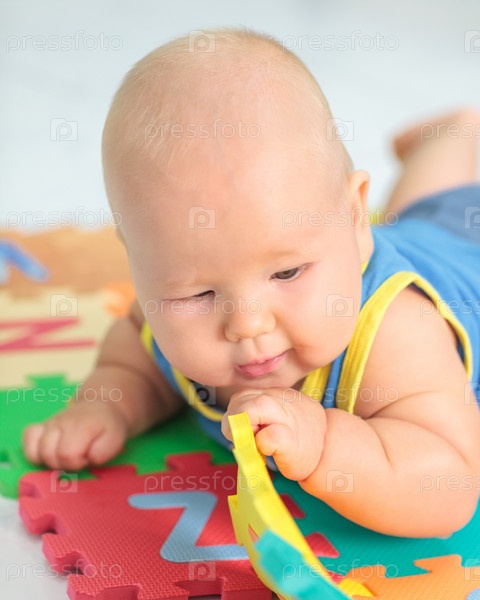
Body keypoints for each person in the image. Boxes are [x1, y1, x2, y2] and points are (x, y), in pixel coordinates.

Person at [23, 29, 480, 537]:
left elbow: (451, 487)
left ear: (355, 218)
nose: (247, 323)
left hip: (466, 253)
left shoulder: (397, 336)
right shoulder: (166, 314)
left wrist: (325, 443)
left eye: (286, 272)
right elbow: (134, 352)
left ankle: (451, 136)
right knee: (423, 212)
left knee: (446, 210)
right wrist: (105, 404)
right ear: (138, 262)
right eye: (199, 294)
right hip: (413, 233)